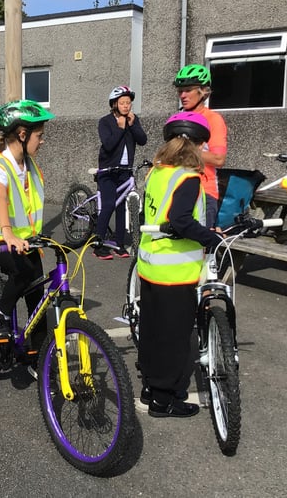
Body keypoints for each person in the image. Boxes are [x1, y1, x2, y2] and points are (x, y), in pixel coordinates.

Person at [136, 111, 223, 418]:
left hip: (150, 265)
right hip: (175, 272)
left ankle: (150, 386)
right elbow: (181, 221)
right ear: (195, 145)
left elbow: (153, 216)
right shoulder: (187, 177)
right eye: (203, 146)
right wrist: (210, 238)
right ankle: (163, 400)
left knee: (151, 331)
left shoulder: (159, 172)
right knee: (174, 339)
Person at [0, 100, 55, 373]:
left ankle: (36, 355)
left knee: (38, 296)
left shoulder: (30, 166)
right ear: (22, 135)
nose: (42, 141)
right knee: (22, 273)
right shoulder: (0, 167)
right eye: (39, 135)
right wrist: (8, 233)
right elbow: (0, 199)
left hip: (27, 241)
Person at [94, 85, 148, 259]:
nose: (126, 106)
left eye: (128, 102)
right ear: (114, 104)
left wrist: (131, 126)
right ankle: (98, 244)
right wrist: (119, 128)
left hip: (125, 171)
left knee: (121, 208)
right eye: (122, 103)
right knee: (109, 204)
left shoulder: (133, 120)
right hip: (108, 171)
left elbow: (142, 140)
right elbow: (108, 145)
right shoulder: (105, 121)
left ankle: (119, 244)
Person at [174, 63, 228, 228]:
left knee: (200, 250)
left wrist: (184, 151)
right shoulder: (177, 119)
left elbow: (218, 159)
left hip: (203, 191)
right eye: (180, 91)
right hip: (177, 188)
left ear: (202, 91)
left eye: (188, 90)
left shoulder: (213, 119)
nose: (183, 95)